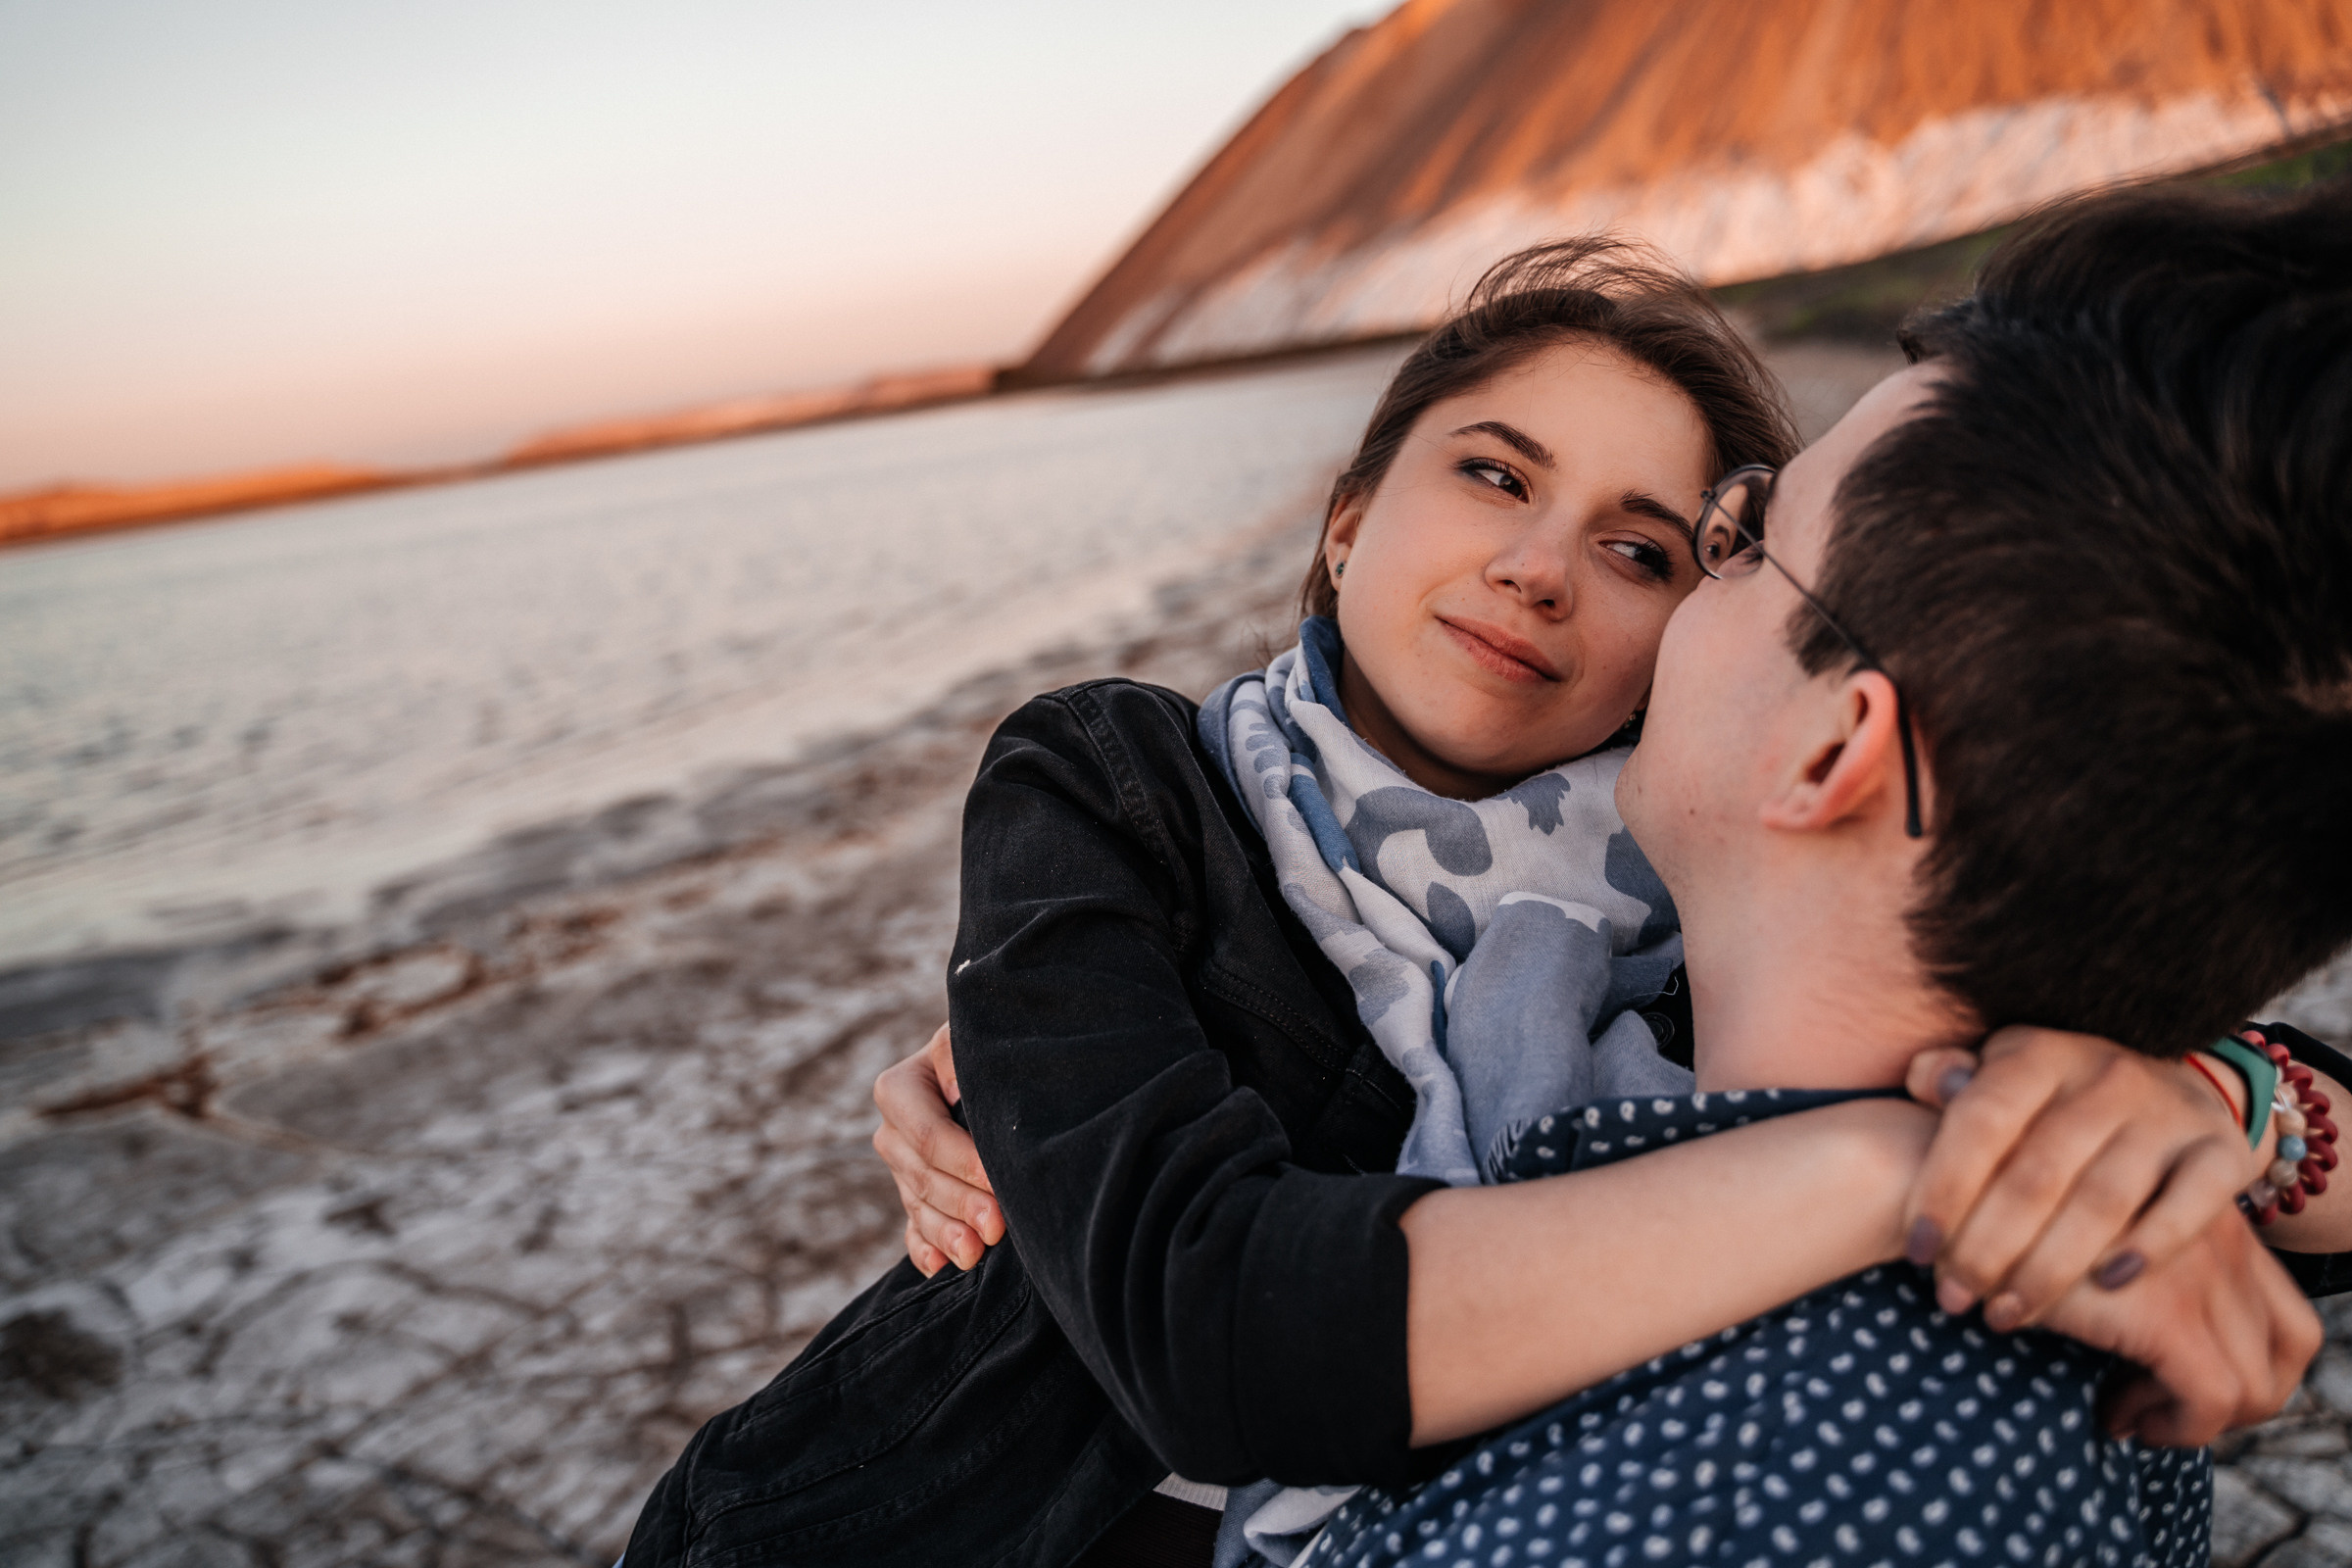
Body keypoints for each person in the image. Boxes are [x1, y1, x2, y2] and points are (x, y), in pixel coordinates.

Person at [623, 229, 2330, 1568]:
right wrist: (1922, 1165)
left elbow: (2133, 934)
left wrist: (2195, 1099)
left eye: (1654, 550)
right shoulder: (1123, 784)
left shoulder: (1692, 912)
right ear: (1349, 517)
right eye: (1496, 475)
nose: (1537, 567)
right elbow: (1197, 1311)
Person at [1284, 175, 2352, 1566]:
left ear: (1838, 748)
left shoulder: (1729, 1497)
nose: (1675, 597)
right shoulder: (2087, 1197)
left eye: (1742, 547)